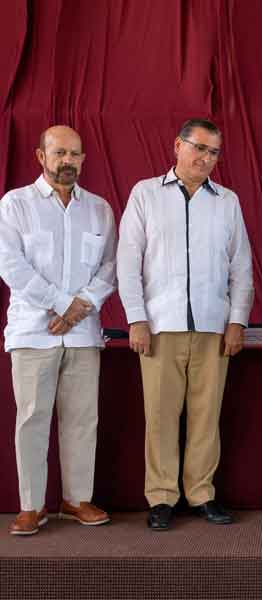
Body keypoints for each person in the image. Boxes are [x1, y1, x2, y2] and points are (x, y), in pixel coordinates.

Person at [117, 119, 253, 531]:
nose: (205, 158)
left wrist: (237, 321)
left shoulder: (227, 201)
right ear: (177, 145)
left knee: (205, 415)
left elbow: (241, 268)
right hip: (159, 325)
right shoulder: (145, 194)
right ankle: (160, 498)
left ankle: (202, 493)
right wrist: (136, 318)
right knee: (159, 415)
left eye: (213, 152)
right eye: (199, 148)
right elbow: (128, 262)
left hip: (213, 327)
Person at [0, 126, 116, 535]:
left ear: (84, 159)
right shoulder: (15, 205)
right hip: (34, 331)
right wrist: (65, 305)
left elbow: (108, 269)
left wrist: (78, 309)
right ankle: (31, 505)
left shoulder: (99, 209)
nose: (68, 161)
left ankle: (76, 498)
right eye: (60, 153)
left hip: (83, 333)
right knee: (32, 418)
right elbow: (11, 266)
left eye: (76, 154)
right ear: (40, 156)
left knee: (83, 418)